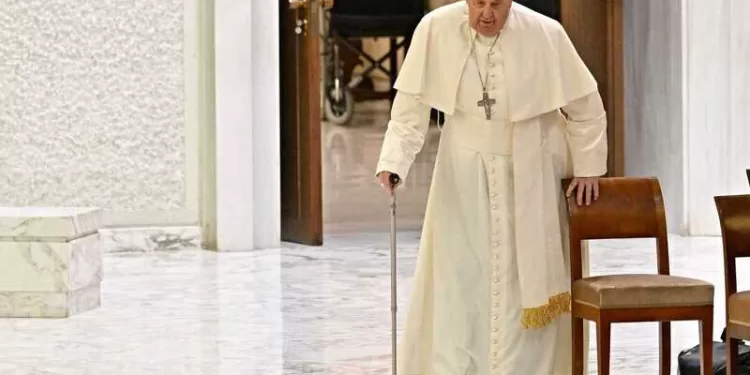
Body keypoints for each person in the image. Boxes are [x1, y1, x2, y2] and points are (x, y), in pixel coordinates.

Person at [375, 0, 607, 374]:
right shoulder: (435, 29)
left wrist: (588, 167)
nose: (487, 14)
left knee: (522, 290)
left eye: (496, 4)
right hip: (462, 178)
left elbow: (587, 108)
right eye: (478, 3)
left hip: (532, 179)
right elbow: (409, 109)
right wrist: (393, 162)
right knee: (462, 282)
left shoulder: (546, 34)